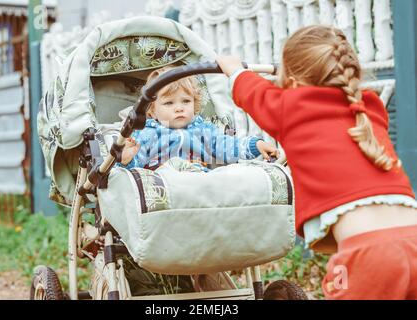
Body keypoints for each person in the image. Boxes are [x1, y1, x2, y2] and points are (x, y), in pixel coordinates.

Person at [217, 25, 417, 300]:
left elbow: (254, 93)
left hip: (370, 253)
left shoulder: (291, 108)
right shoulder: (369, 109)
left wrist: (235, 70)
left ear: (294, 80)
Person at [119, 66, 279, 171]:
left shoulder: (203, 130)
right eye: (169, 103)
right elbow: (134, 172)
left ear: (194, 104)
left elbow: (228, 146)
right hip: (162, 186)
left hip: (198, 185)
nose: (179, 108)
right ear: (152, 111)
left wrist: (255, 145)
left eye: (186, 101)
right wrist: (126, 160)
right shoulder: (146, 134)